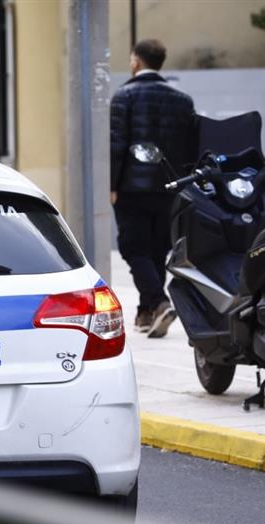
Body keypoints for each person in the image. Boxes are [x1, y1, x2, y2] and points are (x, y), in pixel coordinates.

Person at [110, 39, 195, 338]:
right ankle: (145, 313)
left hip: (132, 188)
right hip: (170, 189)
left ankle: (158, 302)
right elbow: (191, 147)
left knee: (134, 248)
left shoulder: (124, 96)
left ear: (136, 61)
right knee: (157, 250)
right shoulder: (183, 101)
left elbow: (116, 144)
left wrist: (111, 184)